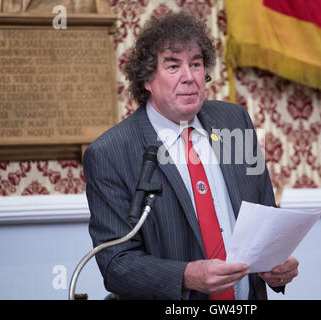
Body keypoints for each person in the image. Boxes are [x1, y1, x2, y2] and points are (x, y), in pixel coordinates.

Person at [83, 12, 298, 300]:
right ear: (147, 78)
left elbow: (265, 217)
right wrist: (187, 276)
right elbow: (116, 265)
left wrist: (278, 263)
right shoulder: (110, 153)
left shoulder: (235, 121)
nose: (189, 77)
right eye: (173, 66)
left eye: (196, 64)